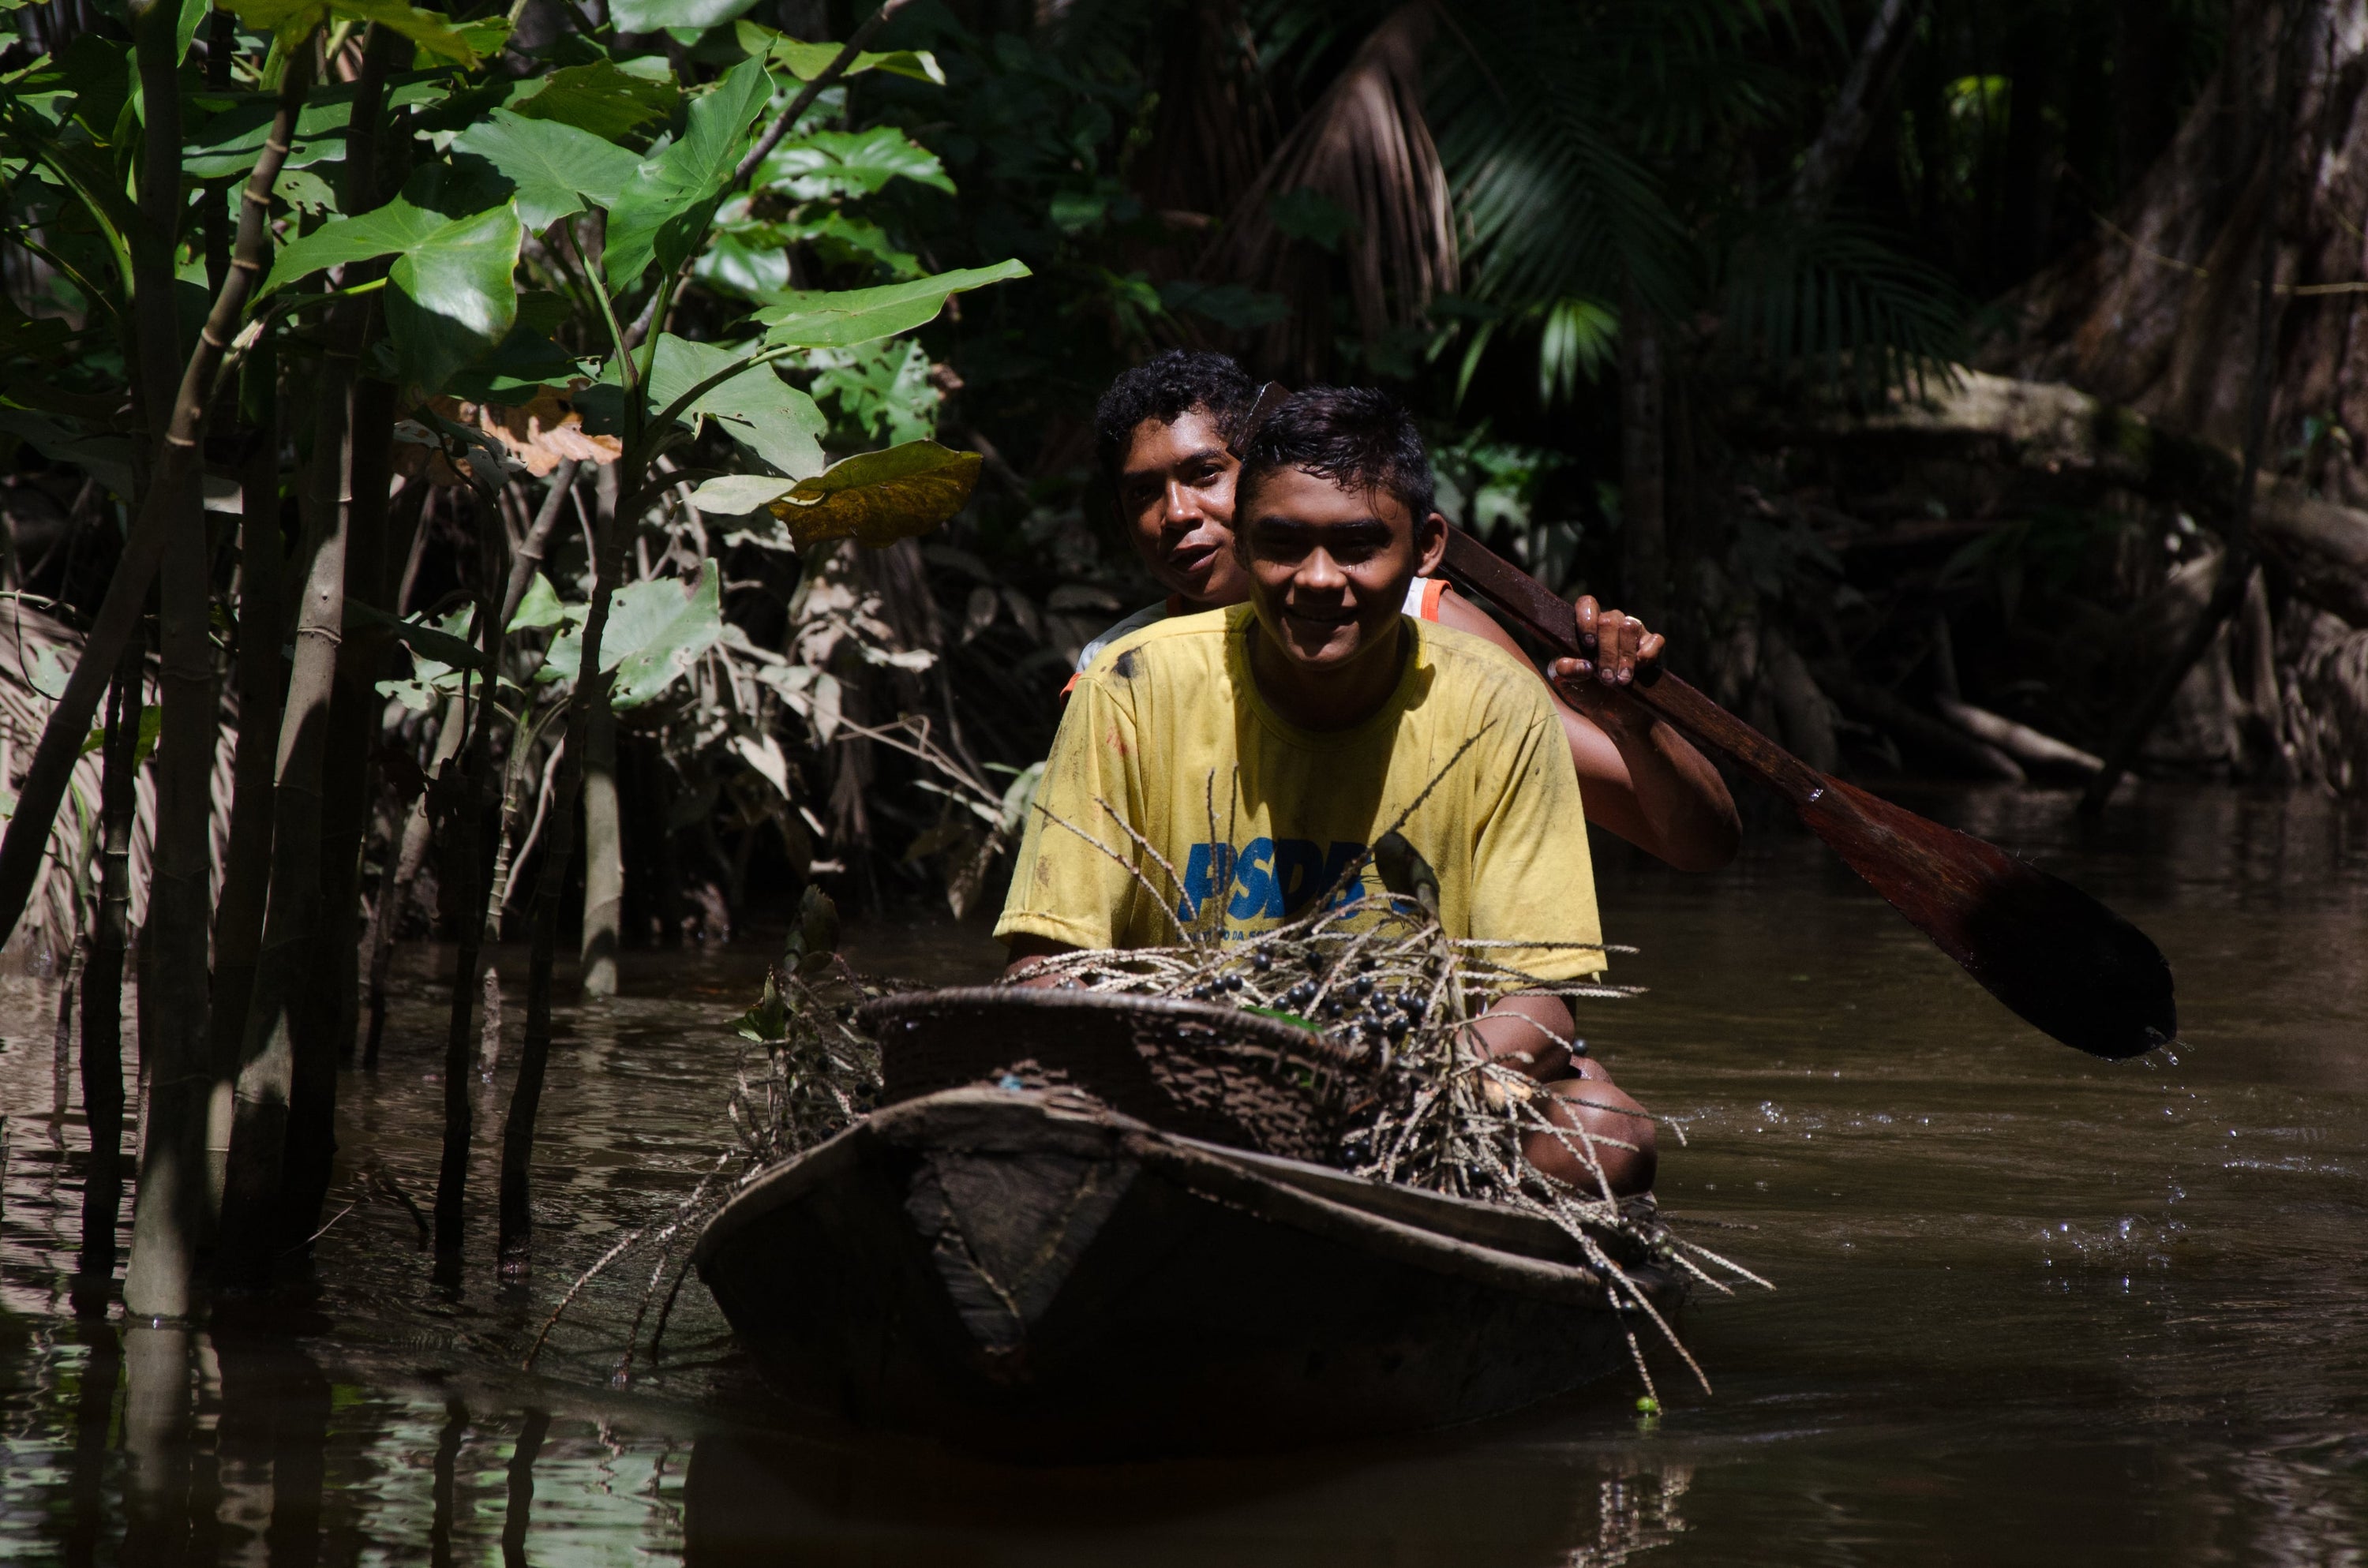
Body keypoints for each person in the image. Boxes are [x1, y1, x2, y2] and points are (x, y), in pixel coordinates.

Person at [1002, 387, 1657, 1194]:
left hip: (1408, 1087)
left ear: (1424, 550)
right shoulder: (1128, 685)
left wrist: (1384, 1093)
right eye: (1281, 544)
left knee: (1608, 1135)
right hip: (1180, 1079)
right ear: (1243, 539)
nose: (1318, 581)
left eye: (1355, 546)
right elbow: (1045, 969)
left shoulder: (1497, 702)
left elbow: (1539, 1003)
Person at [1078, 350, 1739, 873]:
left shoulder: (1430, 625)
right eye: (1144, 492)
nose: (1177, 514)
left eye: (1202, 474)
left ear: (1260, 479)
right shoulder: (1116, 673)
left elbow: (1696, 847)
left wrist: (1636, 726)